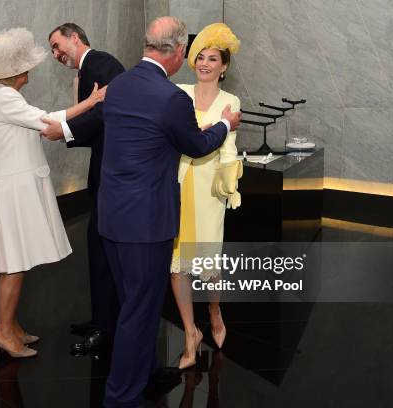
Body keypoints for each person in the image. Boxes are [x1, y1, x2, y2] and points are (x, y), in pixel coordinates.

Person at [98, 16, 242, 407]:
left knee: (137, 305)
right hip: (145, 223)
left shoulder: (121, 84)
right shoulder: (172, 97)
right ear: (179, 53)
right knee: (138, 310)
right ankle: (121, 396)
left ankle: (145, 374)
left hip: (112, 216)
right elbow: (196, 146)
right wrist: (226, 126)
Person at [0, 27, 106, 358]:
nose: (29, 70)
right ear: (14, 72)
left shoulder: (2, 97)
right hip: (15, 189)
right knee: (14, 264)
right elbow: (47, 121)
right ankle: (3, 332)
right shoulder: (2, 97)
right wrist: (91, 102)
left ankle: (11, 326)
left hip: (16, 186)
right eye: (24, 66)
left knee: (18, 262)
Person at [41, 23, 125, 355]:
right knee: (98, 247)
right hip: (104, 170)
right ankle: (102, 319)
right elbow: (94, 121)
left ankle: (106, 327)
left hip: (113, 172)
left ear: (75, 38)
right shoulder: (89, 68)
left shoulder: (101, 62)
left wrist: (64, 130)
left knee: (102, 247)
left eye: (58, 45)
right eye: (52, 51)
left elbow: (108, 112)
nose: (56, 54)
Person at [170, 22, 243, 370]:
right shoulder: (179, 93)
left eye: (212, 58)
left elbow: (227, 146)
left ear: (223, 66)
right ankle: (190, 332)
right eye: (200, 57)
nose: (204, 63)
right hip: (179, 183)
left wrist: (230, 184)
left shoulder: (231, 101)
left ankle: (214, 308)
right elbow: (174, 135)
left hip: (210, 189)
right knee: (177, 265)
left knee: (208, 265)